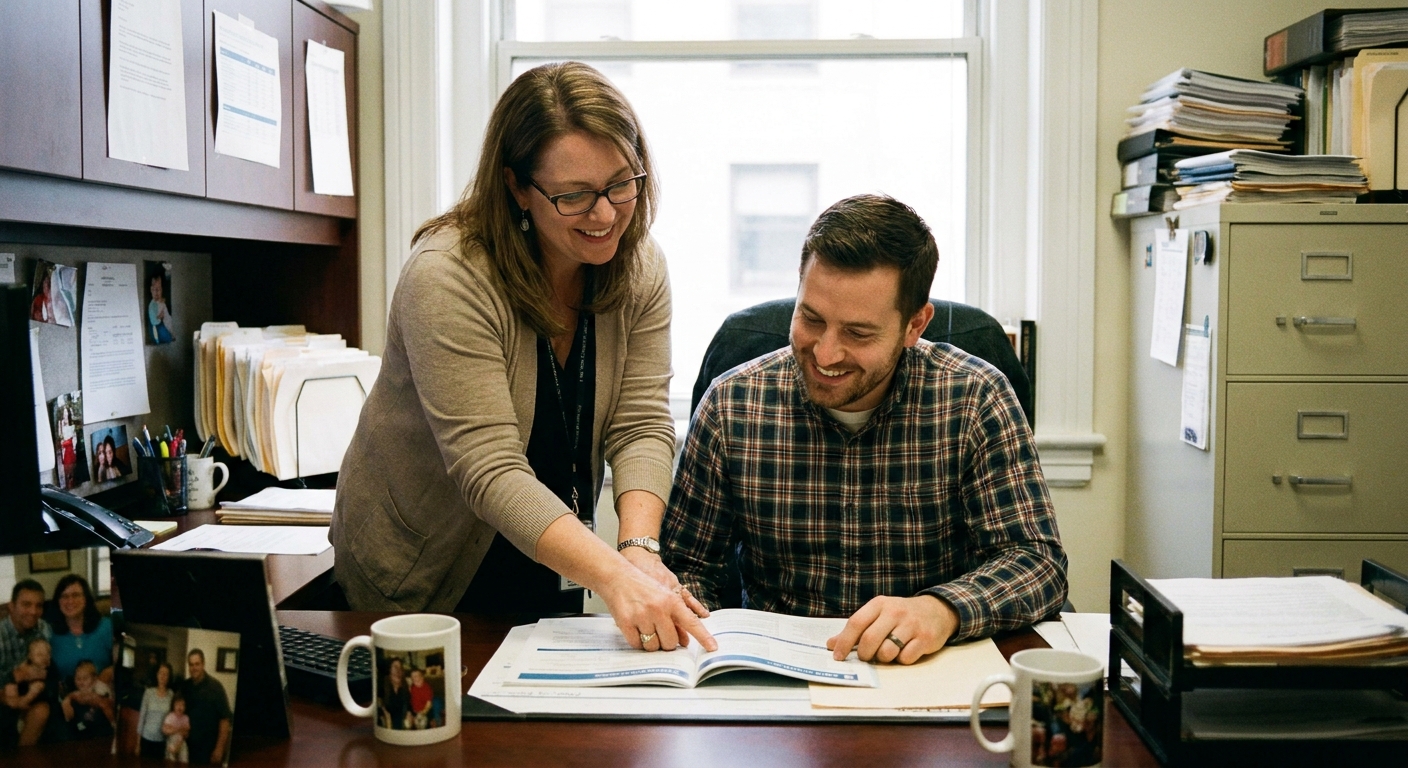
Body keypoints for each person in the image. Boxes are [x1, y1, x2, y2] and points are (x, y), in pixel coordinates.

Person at [329, 61, 713, 654]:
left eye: (620, 183)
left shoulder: (638, 269)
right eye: (574, 196)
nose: (606, 214)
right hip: (420, 570)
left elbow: (640, 424)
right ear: (517, 188)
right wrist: (614, 577)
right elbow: (491, 470)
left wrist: (639, 551)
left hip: (545, 550)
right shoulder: (448, 277)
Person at [663, 194, 1067, 665]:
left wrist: (942, 610)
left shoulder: (976, 398)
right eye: (811, 319)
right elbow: (685, 567)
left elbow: (1037, 562)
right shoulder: (733, 404)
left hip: (925, 671)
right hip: (778, 675)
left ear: (914, 324)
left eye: (858, 333)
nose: (826, 353)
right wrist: (704, 635)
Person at [47, 574, 114, 685]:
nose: (70, 601)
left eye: (76, 595)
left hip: (104, 692)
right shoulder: (49, 633)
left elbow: (123, 660)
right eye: (64, 596)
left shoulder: (106, 626)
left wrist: (109, 671)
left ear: (86, 599)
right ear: (58, 602)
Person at [3, 637, 61, 746]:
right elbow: (12, 681)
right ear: (30, 656)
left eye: (47, 654)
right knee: (11, 690)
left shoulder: (51, 670)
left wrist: (40, 687)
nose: (45, 658)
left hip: (42, 704)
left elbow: (53, 690)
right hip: (18, 709)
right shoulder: (23, 668)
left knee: (37, 687)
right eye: (39, 655)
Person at [178, 649, 230, 765]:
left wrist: (219, 749)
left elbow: (225, 720)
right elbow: (179, 711)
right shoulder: (185, 687)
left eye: (197, 664)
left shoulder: (216, 687)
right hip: (188, 748)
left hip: (209, 750)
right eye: (191, 664)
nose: (194, 668)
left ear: (203, 664)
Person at [60, 659, 114, 740]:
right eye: (78, 679)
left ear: (94, 679)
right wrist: (68, 700)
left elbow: (106, 705)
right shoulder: (73, 696)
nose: (81, 682)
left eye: (85, 679)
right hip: (81, 730)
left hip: (102, 731)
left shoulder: (101, 691)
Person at [135, 661, 175, 759]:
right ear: (156, 674)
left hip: (162, 742)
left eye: (166, 674)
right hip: (146, 739)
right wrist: (138, 744)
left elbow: (173, 718)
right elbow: (142, 718)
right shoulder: (148, 692)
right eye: (161, 673)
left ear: (169, 677)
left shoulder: (171, 695)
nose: (163, 676)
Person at [377, 658, 411, 730]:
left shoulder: (405, 688)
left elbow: (409, 705)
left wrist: (409, 713)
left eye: (400, 668)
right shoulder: (383, 688)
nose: (398, 670)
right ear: (389, 671)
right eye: (395, 667)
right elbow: (379, 706)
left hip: (402, 726)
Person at [148, 271, 174, 344]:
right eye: (154, 289)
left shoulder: (162, 302)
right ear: (151, 290)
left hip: (168, 324)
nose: (156, 291)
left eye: (159, 289)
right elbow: (154, 321)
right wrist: (159, 317)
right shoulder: (152, 305)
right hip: (158, 328)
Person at [163, 695, 190, 763]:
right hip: (171, 742)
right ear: (173, 706)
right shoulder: (170, 716)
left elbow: (186, 733)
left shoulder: (185, 718)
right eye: (177, 704)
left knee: (184, 761)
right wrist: (179, 729)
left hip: (181, 743)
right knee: (170, 761)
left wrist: (173, 729)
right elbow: (165, 730)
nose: (180, 707)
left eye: (182, 705)